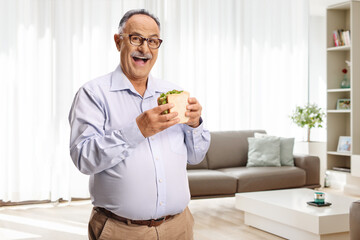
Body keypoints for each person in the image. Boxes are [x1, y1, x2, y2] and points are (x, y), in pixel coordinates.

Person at [68, 9, 211, 240]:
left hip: (179, 227)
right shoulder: (93, 94)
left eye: (153, 41)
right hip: (120, 231)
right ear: (118, 42)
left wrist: (195, 125)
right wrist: (137, 130)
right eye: (136, 39)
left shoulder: (171, 92)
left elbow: (196, 156)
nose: (145, 49)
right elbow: (83, 159)